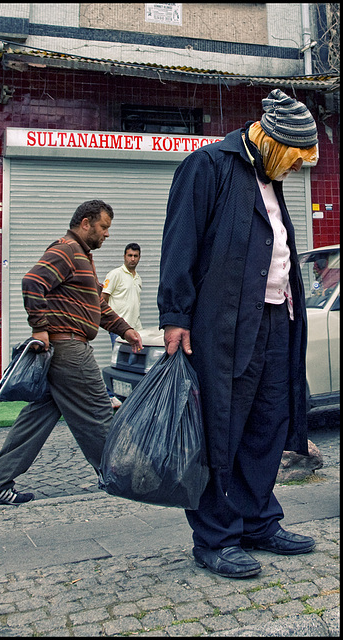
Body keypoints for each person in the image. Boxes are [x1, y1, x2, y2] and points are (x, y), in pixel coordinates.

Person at [157, 89, 318, 578]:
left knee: (267, 423)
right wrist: (175, 316)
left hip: (276, 318)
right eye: (293, 159)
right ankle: (216, 537)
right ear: (272, 142)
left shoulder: (270, 177)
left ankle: (258, 521)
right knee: (220, 430)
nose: (294, 170)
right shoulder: (207, 166)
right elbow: (179, 241)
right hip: (223, 324)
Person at [0, 200, 142, 505]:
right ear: (85, 223)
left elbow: (98, 307)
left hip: (61, 351)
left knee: (37, 418)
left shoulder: (83, 257)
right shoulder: (67, 249)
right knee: (98, 412)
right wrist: (39, 327)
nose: (107, 234)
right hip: (68, 348)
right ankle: (120, 478)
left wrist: (125, 329)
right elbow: (32, 281)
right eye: (104, 227)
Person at [102, 243, 143, 347]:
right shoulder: (115, 274)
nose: (132, 259)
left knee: (134, 360)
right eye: (130, 255)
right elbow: (103, 299)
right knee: (120, 360)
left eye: (135, 256)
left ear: (139, 257)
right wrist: (110, 322)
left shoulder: (138, 278)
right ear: (124, 256)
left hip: (136, 328)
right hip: (119, 328)